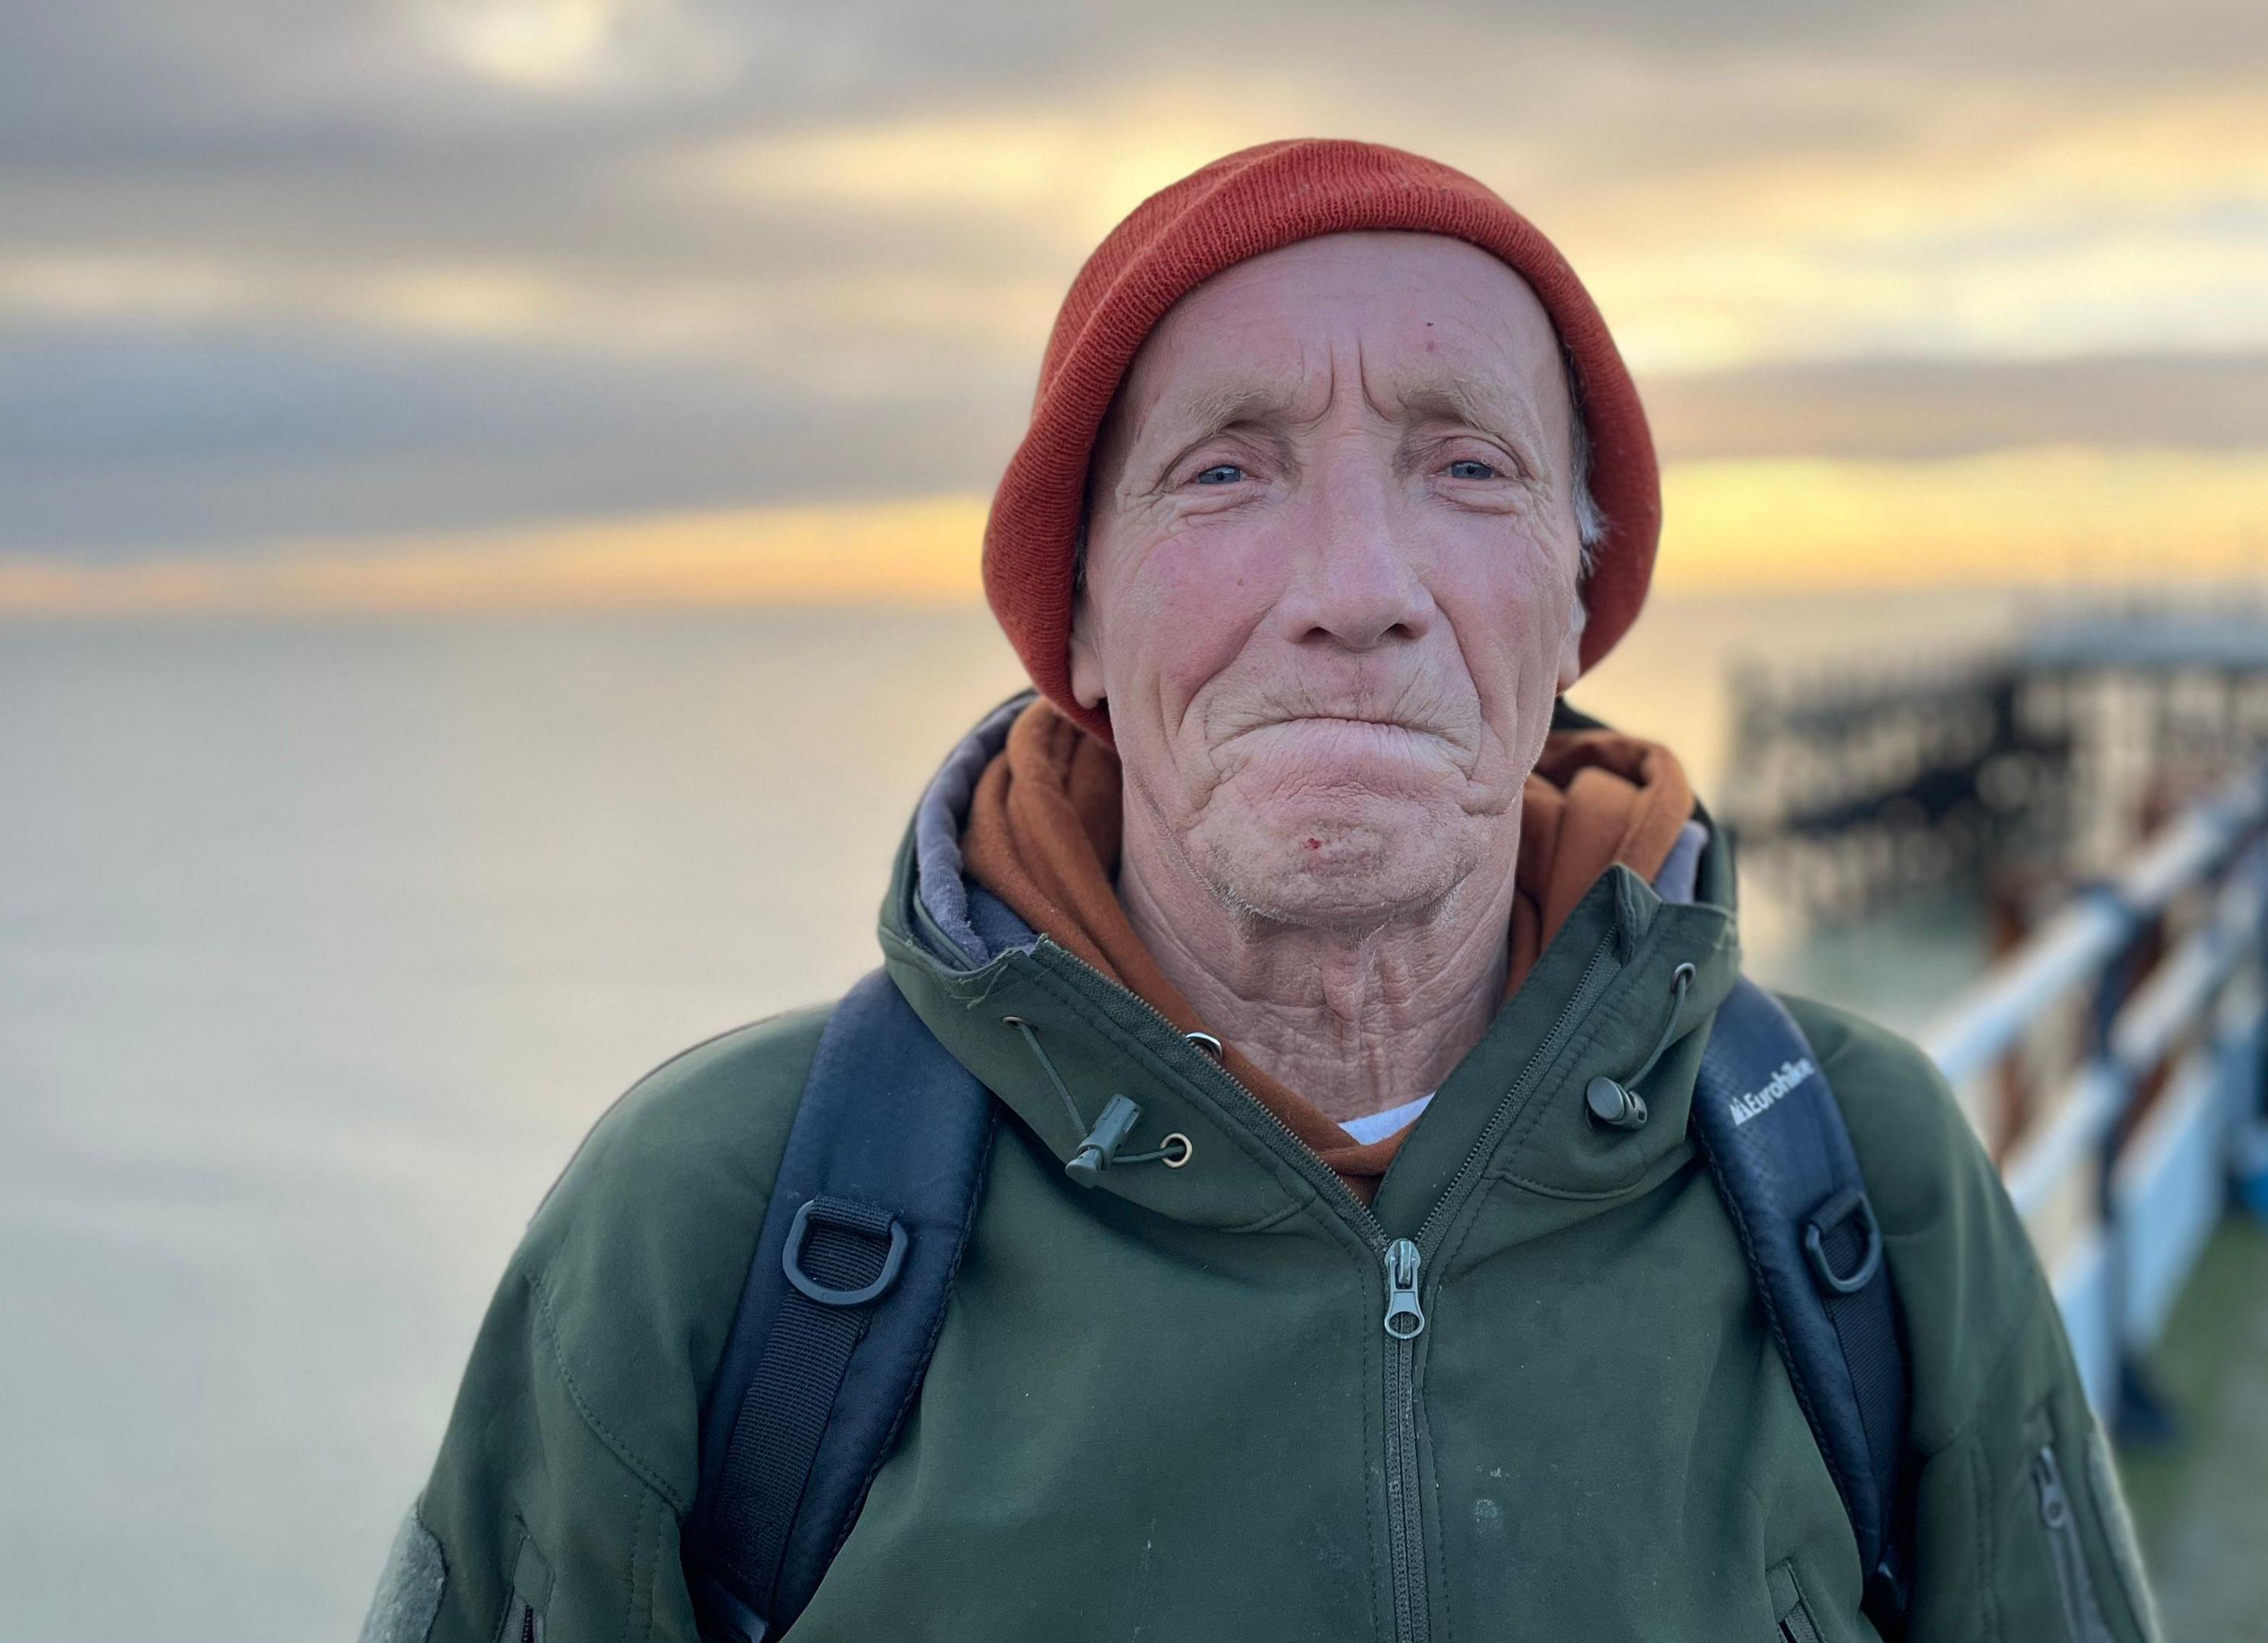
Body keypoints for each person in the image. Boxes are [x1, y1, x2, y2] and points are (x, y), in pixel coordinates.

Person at [365, 138, 2159, 1643]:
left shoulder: (1863, 1180)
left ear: (1574, 601)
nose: (1357, 586)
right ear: (1072, 616)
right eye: (1225, 472)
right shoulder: (715, 1221)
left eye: (1467, 468)